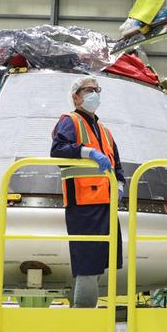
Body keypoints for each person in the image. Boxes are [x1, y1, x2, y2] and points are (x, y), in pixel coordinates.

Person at [50, 76, 125, 308]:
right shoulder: (70, 121)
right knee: (87, 264)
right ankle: (83, 315)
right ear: (76, 97)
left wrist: (120, 187)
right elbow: (58, 150)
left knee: (102, 260)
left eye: (97, 90)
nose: (94, 94)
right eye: (88, 90)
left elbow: (117, 166)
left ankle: (87, 310)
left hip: (106, 203)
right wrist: (88, 153)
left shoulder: (105, 131)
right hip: (83, 203)